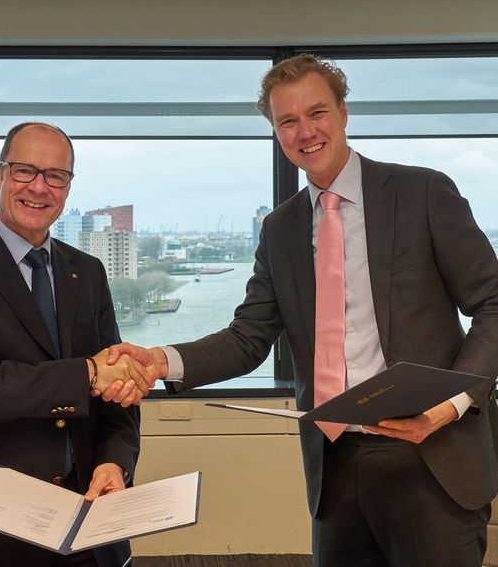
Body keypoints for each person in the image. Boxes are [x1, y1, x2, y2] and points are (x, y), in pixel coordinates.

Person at [108, 55, 498, 567]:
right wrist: (160, 361)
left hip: (431, 455)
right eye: (287, 121)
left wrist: (449, 404)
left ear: (343, 113)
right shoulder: (281, 229)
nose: (305, 132)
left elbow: (493, 304)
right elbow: (248, 338)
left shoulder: (423, 192)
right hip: (334, 467)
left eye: (317, 113)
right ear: (275, 132)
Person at [0, 122, 151, 567]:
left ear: (68, 188)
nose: (40, 187)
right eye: (25, 171)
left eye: (56, 176)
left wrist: (115, 463)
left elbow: (117, 393)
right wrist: (87, 373)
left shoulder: (86, 271)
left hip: (89, 518)